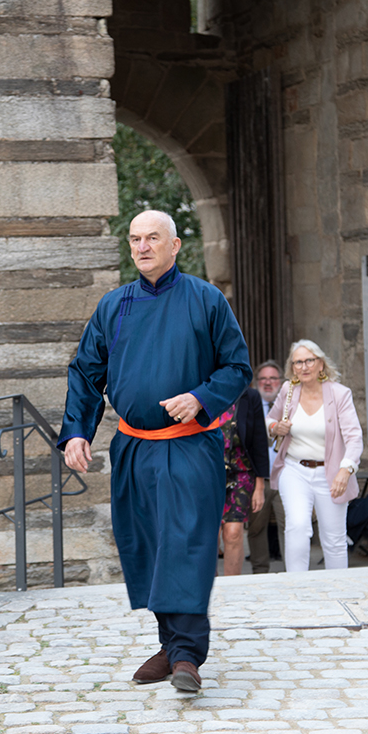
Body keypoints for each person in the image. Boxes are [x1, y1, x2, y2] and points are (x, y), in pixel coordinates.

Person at [58, 210, 252, 692]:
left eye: (153, 238)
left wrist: (200, 397)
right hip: (132, 447)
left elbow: (236, 367)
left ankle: (187, 656)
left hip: (188, 448)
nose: (142, 247)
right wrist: (77, 431)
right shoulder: (113, 306)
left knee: (185, 544)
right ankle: (170, 643)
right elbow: (86, 372)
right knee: (147, 547)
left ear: (175, 245)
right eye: (135, 239)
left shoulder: (205, 299)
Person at [267, 340, 363, 572]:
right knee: (297, 527)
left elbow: (354, 437)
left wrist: (346, 469)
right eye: (298, 362)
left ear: (321, 364)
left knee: (333, 538)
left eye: (309, 360)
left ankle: (337, 591)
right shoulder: (288, 390)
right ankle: (297, 587)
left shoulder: (339, 394)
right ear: (292, 367)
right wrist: (275, 428)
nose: (304, 366)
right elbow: (270, 419)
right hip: (294, 468)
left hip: (330, 472)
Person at [218, 384, 269, 576]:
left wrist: (260, 485)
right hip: (208, 473)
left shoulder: (249, 396)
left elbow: (259, 441)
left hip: (241, 473)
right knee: (210, 535)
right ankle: (207, 590)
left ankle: (231, 587)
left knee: (233, 532)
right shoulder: (200, 391)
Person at [248, 360, 287, 573]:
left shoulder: (291, 406)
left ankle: (294, 572)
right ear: (256, 383)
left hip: (286, 477)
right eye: (263, 379)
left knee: (290, 526)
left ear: (280, 382)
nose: (268, 383)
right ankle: (259, 573)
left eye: (273, 378)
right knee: (256, 528)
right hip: (259, 480)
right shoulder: (249, 407)